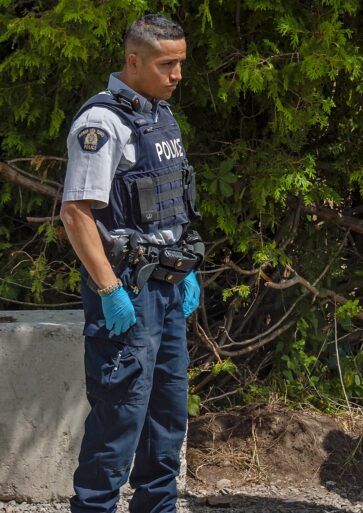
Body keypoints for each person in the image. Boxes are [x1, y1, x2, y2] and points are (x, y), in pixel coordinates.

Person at [60, 14, 203, 513]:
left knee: (167, 418)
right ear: (133, 61)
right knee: (118, 419)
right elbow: (75, 213)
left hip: (168, 286)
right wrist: (108, 290)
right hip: (128, 291)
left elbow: (171, 205)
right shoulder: (102, 123)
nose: (177, 75)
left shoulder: (160, 116)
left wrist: (188, 270)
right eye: (167, 65)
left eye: (180, 63)